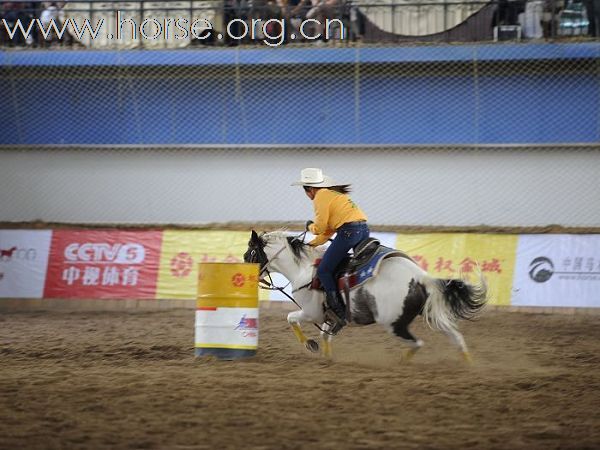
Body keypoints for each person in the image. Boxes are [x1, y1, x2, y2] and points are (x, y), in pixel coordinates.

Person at [292, 167, 369, 331]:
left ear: (309, 190)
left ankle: (339, 312)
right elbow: (327, 231)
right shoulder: (333, 194)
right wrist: (311, 244)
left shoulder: (320, 197)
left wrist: (310, 227)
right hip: (362, 230)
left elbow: (319, 227)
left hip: (348, 232)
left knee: (324, 270)